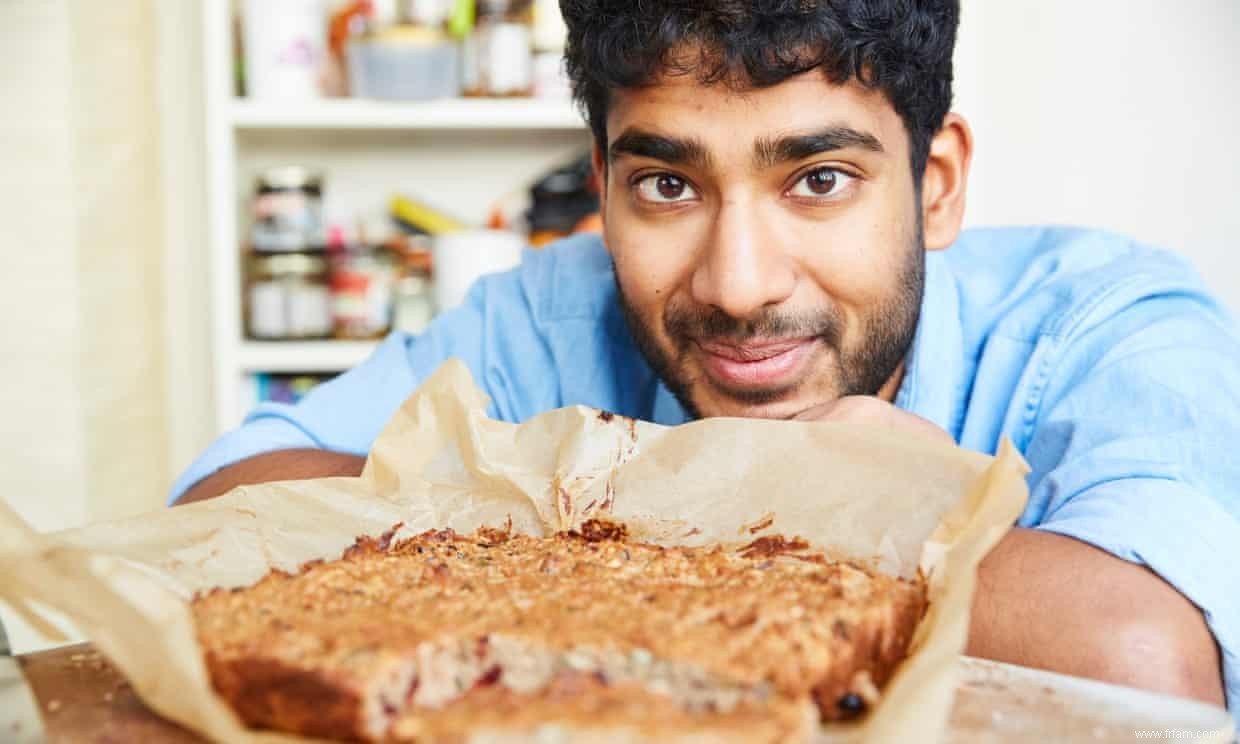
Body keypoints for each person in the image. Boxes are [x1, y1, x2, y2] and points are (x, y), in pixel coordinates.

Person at [173, 0, 1238, 715]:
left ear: (935, 182)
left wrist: (879, 503)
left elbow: (1144, 664)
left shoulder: (1108, 321)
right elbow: (222, 513)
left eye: (818, 178)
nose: (737, 284)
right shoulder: (546, 313)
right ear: (601, 184)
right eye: (668, 186)